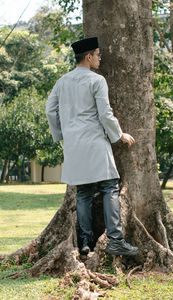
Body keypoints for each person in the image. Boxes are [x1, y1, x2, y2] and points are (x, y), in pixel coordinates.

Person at [46, 37, 139, 256]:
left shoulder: (62, 81)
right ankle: (116, 239)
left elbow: (50, 110)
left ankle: (85, 242)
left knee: (84, 193)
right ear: (88, 57)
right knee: (109, 187)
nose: (99, 58)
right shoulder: (97, 80)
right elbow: (105, 114)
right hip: (95, 141)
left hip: (73, 145)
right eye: (97, 54)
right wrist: (119, 135)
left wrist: (61, 134)